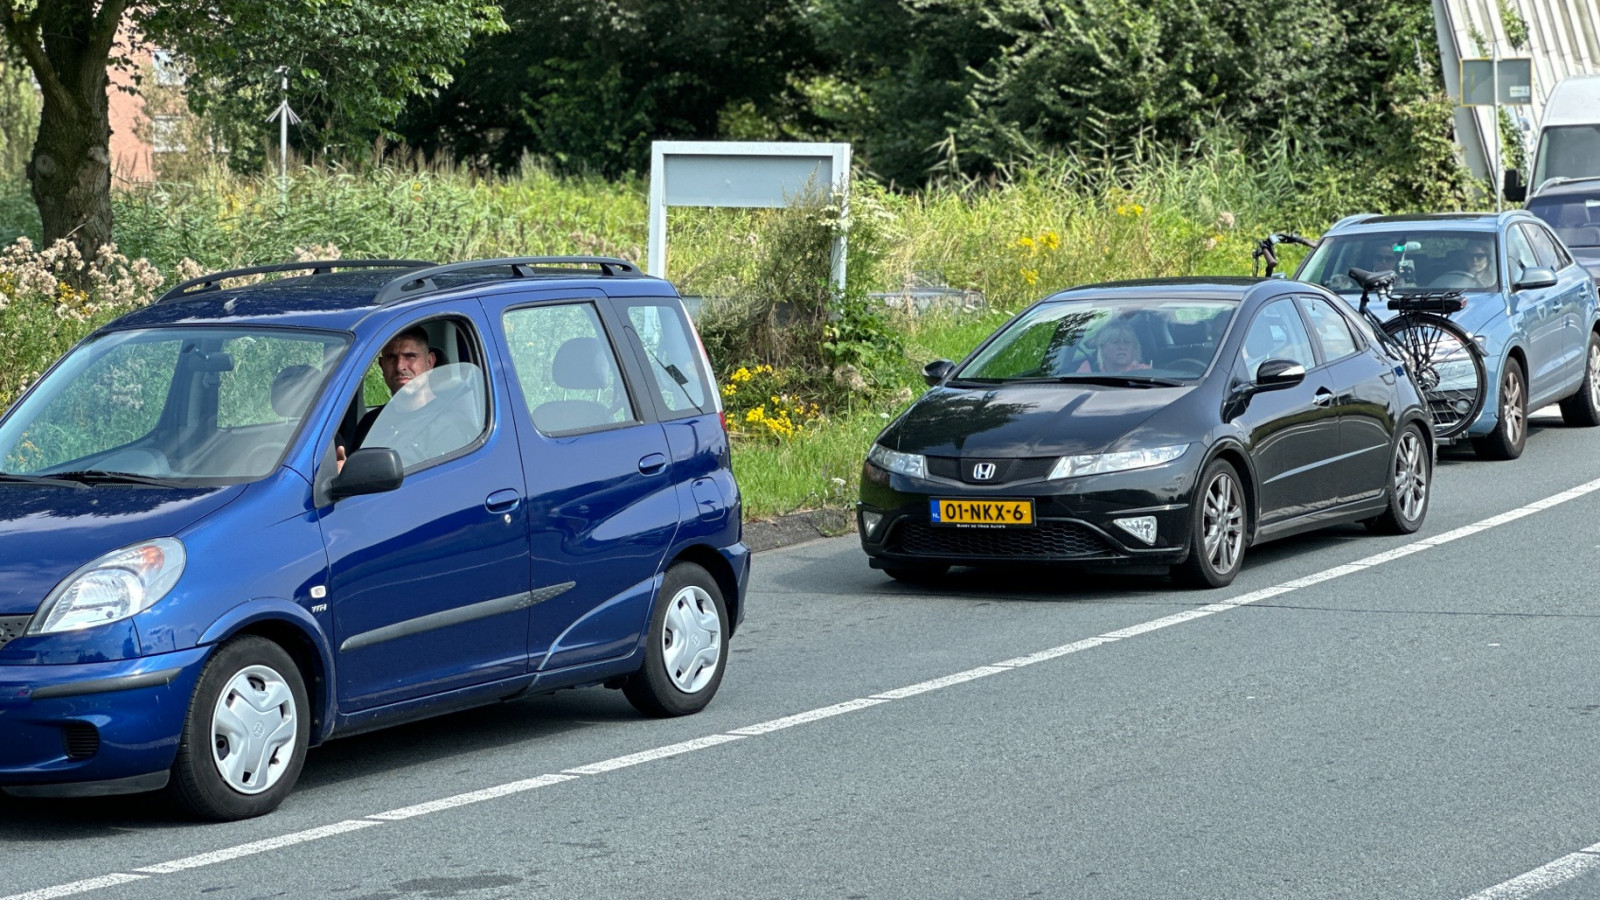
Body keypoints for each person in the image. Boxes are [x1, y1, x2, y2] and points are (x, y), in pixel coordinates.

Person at [337, 326, 480, 471]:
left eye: (410, 356)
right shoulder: (371, 423)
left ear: (430, 362)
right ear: (381, 365)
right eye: (391, 357)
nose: (400, 366)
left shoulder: (452, 425)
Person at [1078, 319, 1151, 373]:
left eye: (1127, 342)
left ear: (1134, 347)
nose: (1122, 347)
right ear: (1102, 346)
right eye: (1115, 342)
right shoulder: (1090, 367)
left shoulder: (1145, 373)